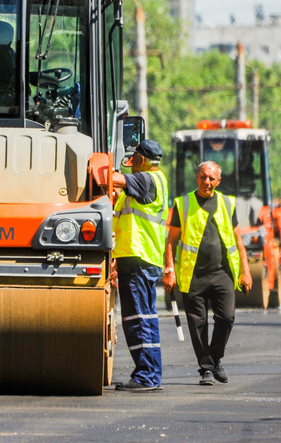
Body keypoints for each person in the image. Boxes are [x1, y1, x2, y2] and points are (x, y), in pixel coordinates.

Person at [163, 161, 252, 386]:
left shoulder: (226, 203)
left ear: (218, 181)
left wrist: (246, 271)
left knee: (227, 317)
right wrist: (169, 270)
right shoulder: (183, 204)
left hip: (223, 273)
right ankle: (206, 369)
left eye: (212, 178)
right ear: (197, 178)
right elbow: (171, 240)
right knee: (197, 323)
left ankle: (214, 358)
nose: (207, 182)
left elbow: (238, 240)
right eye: (203, 177)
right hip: (194, 275)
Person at [109, 139, 168, 392]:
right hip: (139, 258)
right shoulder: (151, 183)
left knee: (137, 319)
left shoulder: (147, 179)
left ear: (142, 160)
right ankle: (150, 374)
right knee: (145, 318)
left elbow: (118, 180)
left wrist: (99, 168)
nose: (131, 164)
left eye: (134, 160)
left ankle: (147, 376)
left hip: (139, 258)